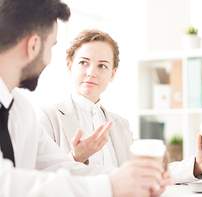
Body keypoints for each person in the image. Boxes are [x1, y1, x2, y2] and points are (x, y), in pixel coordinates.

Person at [0, 0, 173, 196]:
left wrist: (135, 178)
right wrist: (110, 186)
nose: (49, 59)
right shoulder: (42, 114)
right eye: (51, 47)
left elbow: (61, 167)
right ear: (33, 46)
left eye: (102, 65)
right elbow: (5, 182)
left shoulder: (21, 110)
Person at [38, 29, 202, 183]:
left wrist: (197, 165)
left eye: (102, 66)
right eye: (83, 62)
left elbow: (147, 172)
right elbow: (36, 179)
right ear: (70, 66)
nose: (91, 72)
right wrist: (75, 158)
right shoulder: (48, 117)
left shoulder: (120, 124)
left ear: (112, 74)